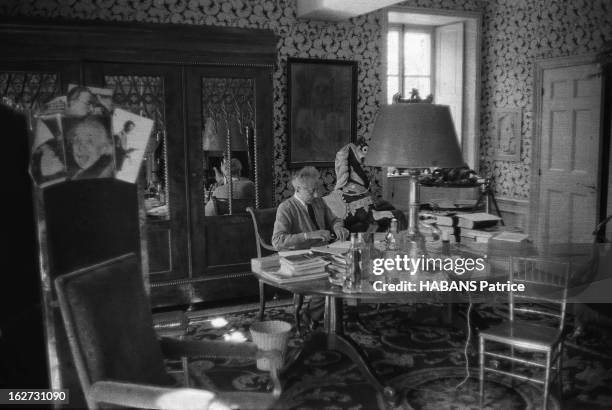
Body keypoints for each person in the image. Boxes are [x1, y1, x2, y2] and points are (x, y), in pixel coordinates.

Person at [272, 166, 349, 329]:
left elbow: (335, 219)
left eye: (317, 189)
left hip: (324, 253)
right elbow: (278, 241)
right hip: (301, 257)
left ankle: (331, 316)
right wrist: (309, 235)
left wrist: (338, 227)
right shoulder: (286, 208)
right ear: (298, 188)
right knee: (333, 281)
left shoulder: (319, 202)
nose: (317, 194)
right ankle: (311, 315)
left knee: (349, 271)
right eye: (312, 191)